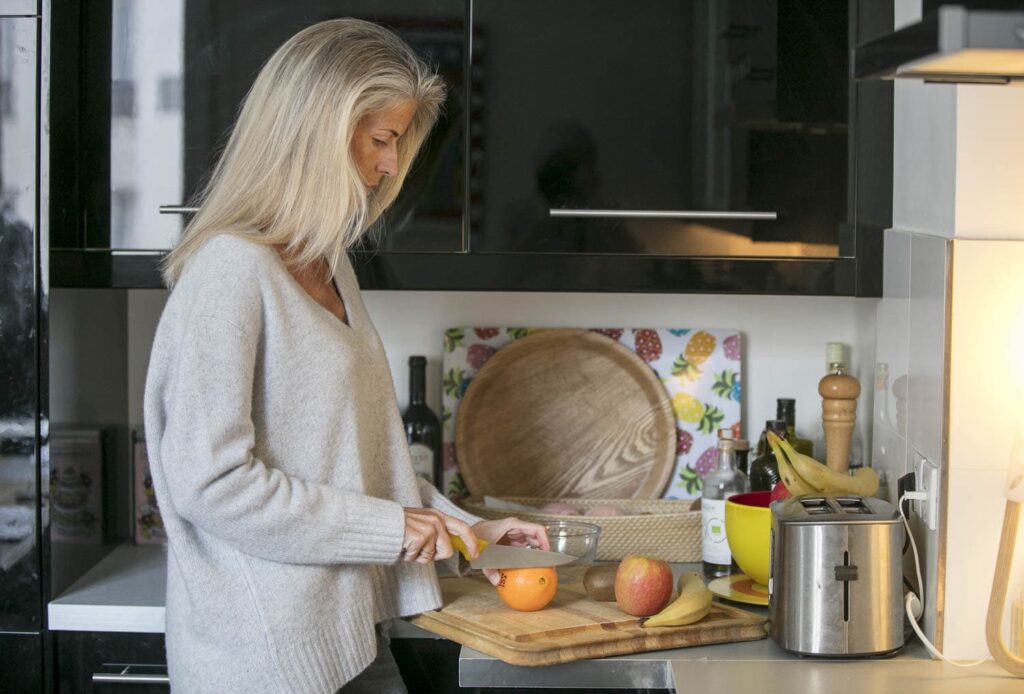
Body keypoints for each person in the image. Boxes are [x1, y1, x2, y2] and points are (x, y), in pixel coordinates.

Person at [144, 19, 548, 694]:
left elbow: (354, 465)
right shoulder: (230, 271)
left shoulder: (329, 264)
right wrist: (393, 529)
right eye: (382, 138)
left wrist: (472, 532)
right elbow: (212, 485)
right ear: (317, 130)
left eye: (398, 143)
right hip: (265, 662)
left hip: (348, 635)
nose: (391, 165)